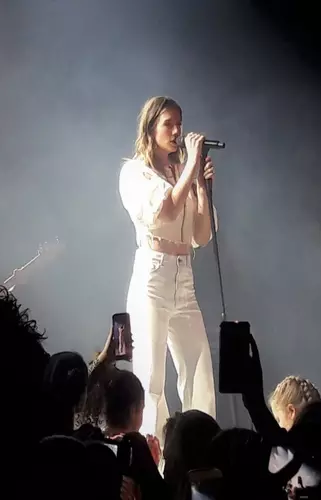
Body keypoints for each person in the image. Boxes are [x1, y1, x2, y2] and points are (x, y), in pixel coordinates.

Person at [118, 96, 217, 441]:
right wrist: (191, 168)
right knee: (152, 378)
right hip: (153, 277)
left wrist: (200, 186)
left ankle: (201, 454)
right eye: (168, 124)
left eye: (180, 123)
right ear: (150, 128)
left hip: (184, 277)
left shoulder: (181, 172)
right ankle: (153, 461)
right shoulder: (135, 172)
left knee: (200, 370)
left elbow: (201, 236)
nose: (177, 131)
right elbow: (165, 213)